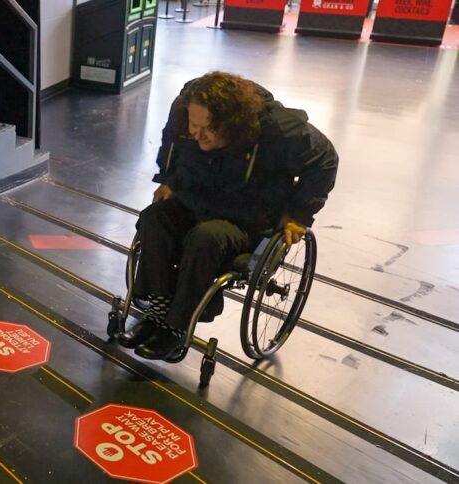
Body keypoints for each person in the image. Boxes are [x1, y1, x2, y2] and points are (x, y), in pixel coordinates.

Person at [120, 71, 339, 361]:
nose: (197, 134)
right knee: (155, 218)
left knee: (205, 237)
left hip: (247, 216)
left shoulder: (278, 129)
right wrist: (170, 179)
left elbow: (325, 160)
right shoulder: (186, 108)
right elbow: (172, 143)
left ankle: (176, 327)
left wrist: (298, 214)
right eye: (193, 125)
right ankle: (157, 312)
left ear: (233, 124)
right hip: (198, 198)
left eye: (206, 129)